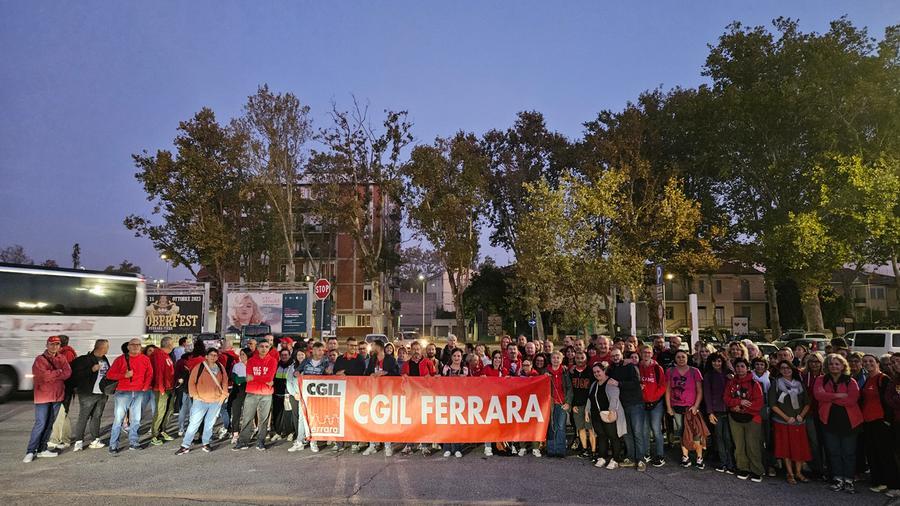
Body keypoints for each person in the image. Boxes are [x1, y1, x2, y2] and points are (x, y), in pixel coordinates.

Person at [814, 353, 863, 493]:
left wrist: (829, 397)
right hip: (828, 421)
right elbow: (818, 395)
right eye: (831, 364)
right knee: (833, 452)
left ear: (843, 366)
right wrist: (839, 395)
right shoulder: (821, 380)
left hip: (849, 422)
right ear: (827, 366)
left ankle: (849, 480)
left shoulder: (850, 381)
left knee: (848, 453)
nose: (834, 366)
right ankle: (838, 478)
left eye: (837, 364)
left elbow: (852, 400)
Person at [23, 336, 72, 463]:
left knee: (50, 423)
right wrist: (58, 372)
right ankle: (30, 451)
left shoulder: (62, 358)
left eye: (57, 344)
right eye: (52, 344)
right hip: (43, 396)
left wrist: (53, 373)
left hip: (57, 395)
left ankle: (42, 449)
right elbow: (42, 375)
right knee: (40, 423)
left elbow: (68, 373)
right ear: (47, 345)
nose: (54, 346)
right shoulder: (40, 359)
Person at [175, 348, 229, 454]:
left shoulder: (221, 367)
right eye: (211, 355)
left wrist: (223, 396)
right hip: (200, 401)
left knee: (209, 424)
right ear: (206, 356)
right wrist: (195, 396)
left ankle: (206, 443)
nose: (213, 357)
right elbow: (192, 382)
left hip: (215, 401)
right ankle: (185, 445)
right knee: (194, 423)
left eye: (215, 355)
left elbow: (225, 381)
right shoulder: (199, 367)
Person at [105, 338, 153, 454]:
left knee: (136, 420)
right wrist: (124, 375)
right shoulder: (120, 359)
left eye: (138, 345)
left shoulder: (145, 359)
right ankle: (113, 445)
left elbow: (150, 373)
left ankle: (133, 442)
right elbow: (110, 375)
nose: (136, 347)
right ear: (128, 347)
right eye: (133, 344)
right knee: (118, 420)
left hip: (139, 392)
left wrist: (145, 386)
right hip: (123, 393)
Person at [859, 354, 899, 493]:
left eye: (871, 361)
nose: (867, 363)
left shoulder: (883, 379)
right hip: (868, 421)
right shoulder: (867, 379)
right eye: (865, 361)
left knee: (885, 454)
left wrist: (887, 421)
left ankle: (894, 485)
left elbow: (888, 402)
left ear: (877, 363)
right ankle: (880, 482)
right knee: (873, 453)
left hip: (880, 421)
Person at [769, 360, 812, 484]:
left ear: (792, 369)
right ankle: (790, 473)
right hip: (782, 422)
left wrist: (801, 416)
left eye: (788, 368)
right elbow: (773, 404)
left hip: (798, 422)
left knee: (799, 448)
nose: (786, 370)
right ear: (779, 370)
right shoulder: (776, 384)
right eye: (782, 368)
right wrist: (787, 418)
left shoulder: (799, 384)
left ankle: (798, 472)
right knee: (785, 449)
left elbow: (807, 403)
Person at [725, 358, 765, 482]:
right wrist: (736, 403)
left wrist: (741, 407)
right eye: (737, 366)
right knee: (739, 444)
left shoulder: (754, 383)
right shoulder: (731, 382)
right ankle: (743, 468)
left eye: (742, 366)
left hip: (752, 418)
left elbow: (759, 403)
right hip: (735, 417)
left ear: (747, 368)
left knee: (753, 445)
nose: (739, 369)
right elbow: (726, 398)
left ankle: (756, 470)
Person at [234, 340, 277, 451]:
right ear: (257, 348)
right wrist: (262, 379)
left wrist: (255, 378)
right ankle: (243, 441)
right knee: (247, 418)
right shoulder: (251, 361)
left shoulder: (273, 361)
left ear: (269, 348)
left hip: (266, 394)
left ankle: (261, 441)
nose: (264, 348)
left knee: (264, 420)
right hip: (252, 392)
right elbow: (248, 377)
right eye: (261, 346)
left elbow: (269, 378)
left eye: (266, 346)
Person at [70, 339, 111, 452]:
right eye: (107, 347)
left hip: (102, 394)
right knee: (83, 417)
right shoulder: (85, 360)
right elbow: (77, 376)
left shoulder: (104, 359)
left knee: (97, 416)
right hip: (88, 394)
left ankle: (95, 440)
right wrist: (91, 370)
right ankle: (79, 442)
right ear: (101, 348)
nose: (108, 349)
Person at [666, 350, 704, 468]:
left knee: (695, 432)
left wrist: (696, 406)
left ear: (687, 358)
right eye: (678, 357)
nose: (681, 359)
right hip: (676, 406)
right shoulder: (670, 371)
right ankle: (685, 456)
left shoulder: (694, 371)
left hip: (691, 407)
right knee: (682, 431)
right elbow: (667, 390)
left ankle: (699, 457)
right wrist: (668, 407)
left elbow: (699, 391)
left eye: (683, 357)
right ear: (675, 359)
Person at [609, 349, 646, 470]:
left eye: (617, 355)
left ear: (622, 355)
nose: (615, 357)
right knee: (627, 433)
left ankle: (640, 459)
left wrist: (619, 383)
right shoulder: (612, 369)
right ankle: (630, 457)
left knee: (637, 433)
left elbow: (635, 383)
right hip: (622, 406)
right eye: (613, 355)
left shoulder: (630, 366)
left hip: (635, 404)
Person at [585, 362, 626, 469]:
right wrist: (586, 411)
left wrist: (612, 411)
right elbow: (590, 398)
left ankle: (615, 459)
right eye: (594, 372)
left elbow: (614, 397)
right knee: (601, 436)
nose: (596, 374)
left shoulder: (610, 382)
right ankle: (602, 457)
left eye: (598, 371)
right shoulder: (594, 384)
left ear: (604, 371)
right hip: (596, 415)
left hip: (608, 414)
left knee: (613, 436)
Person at [362, 340, 400, 456]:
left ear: (379, 347)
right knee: (372, 419)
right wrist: (371, 374)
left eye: (373, 345)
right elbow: (367, 373)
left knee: (386, 419)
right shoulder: (372, 359)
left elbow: (396, 374)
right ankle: (372, 445)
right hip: (373, 393)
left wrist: (385, 373)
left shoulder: (390, 359)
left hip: (387, 394)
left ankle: (387, 445)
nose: (371, 347)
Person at [703, 352, 735, 473]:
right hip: (716, 411)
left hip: (729, 410)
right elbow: (707, 395)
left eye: (719, 361)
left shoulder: (729, 375)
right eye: (714, 361)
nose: (717, 363)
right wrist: (710, 412)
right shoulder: (708, 375)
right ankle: (723, 463)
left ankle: (731, 463)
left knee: (728, 438)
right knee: (720, 438)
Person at [638, 345, 667, 467]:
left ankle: (660, 455)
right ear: (640, 353)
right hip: (642, 403)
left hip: (656, 403)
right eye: (644, 352)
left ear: (652, 354)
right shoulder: (637, 367)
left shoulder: (657, 368)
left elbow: (663, 386)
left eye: (649, 352)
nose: (646, 354)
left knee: (656, 430)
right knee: (645, 430)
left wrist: (653, 399)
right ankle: (646, 453)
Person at [48, 334, 77, 450]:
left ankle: (57, 439)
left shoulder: (66, 354)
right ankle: (65, 439)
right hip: (63, 387)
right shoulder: (66, 352)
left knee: (60, 413)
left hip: (64, 387)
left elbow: (66, 372)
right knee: (62, 413)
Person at [439, 348, 469, 458]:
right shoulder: (446, 368)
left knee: (457, 425)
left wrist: (464, 380)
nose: (457, 358)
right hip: (447, 399)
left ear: (461, 358)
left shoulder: (465, 369)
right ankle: (447, 448)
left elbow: (471, 384)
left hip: (460, 400)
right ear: (451, 357)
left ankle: (457, 448)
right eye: (455, 356)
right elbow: (440, 382)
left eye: (459, 356)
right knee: (447, 424)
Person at [149, 336, 176, 446]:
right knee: (160, 411)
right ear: (169, 345)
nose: (173, 345)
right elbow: (159, 372)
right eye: (172, 343)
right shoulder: (158, 355)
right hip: (162, 389)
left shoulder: (166, 355)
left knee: (169, 410)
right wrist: (161, 388)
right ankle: (154, 435)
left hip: (169, 387)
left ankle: (162, 430)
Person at [545, 351, 573, 458]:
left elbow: (569, 388)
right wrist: (544, 377)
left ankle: (560, 450)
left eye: (558, 358)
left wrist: (568, 402)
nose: (555, 360)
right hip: (550, 403)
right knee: (551, 426)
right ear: (551, 359)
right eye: (553, 358)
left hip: (562, 403)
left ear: (561, 360)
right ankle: (551, 449)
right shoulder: (546, 371)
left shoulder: (565, 372)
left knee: (560, 426)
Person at [569, 351, 593, 459]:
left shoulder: (591, 371)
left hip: (588, 404)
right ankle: (584, 449)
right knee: (581, 428)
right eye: (577, 358)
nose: (580, 359)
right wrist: (572, 404)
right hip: (577, 404)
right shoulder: (572, 372)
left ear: (586, 358)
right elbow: (570, 390)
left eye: (582, 357)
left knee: (590, 429)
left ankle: (593, 450)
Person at [271, 348, 295, 441]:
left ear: (289, 355)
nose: (284, 356)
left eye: (286, 355)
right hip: (277, 393)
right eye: (282, 355)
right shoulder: (277, 365)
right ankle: (278, 432)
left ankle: (290, 432)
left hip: (288, 394)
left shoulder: (292, 366)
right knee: (277, 414)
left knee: (288, 414)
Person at [228, 348, 250, 445]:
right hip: (237, 391)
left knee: (247, 415)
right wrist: (245, 379)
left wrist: (242, 379)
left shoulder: (252, 365)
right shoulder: (236, 366)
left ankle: (246, 434)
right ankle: (235, 434)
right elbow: (235, 379)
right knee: (236, 414)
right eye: (241, 354)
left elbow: (254, 378)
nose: (241, 356)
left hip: (249, 391)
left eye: (244, 354)